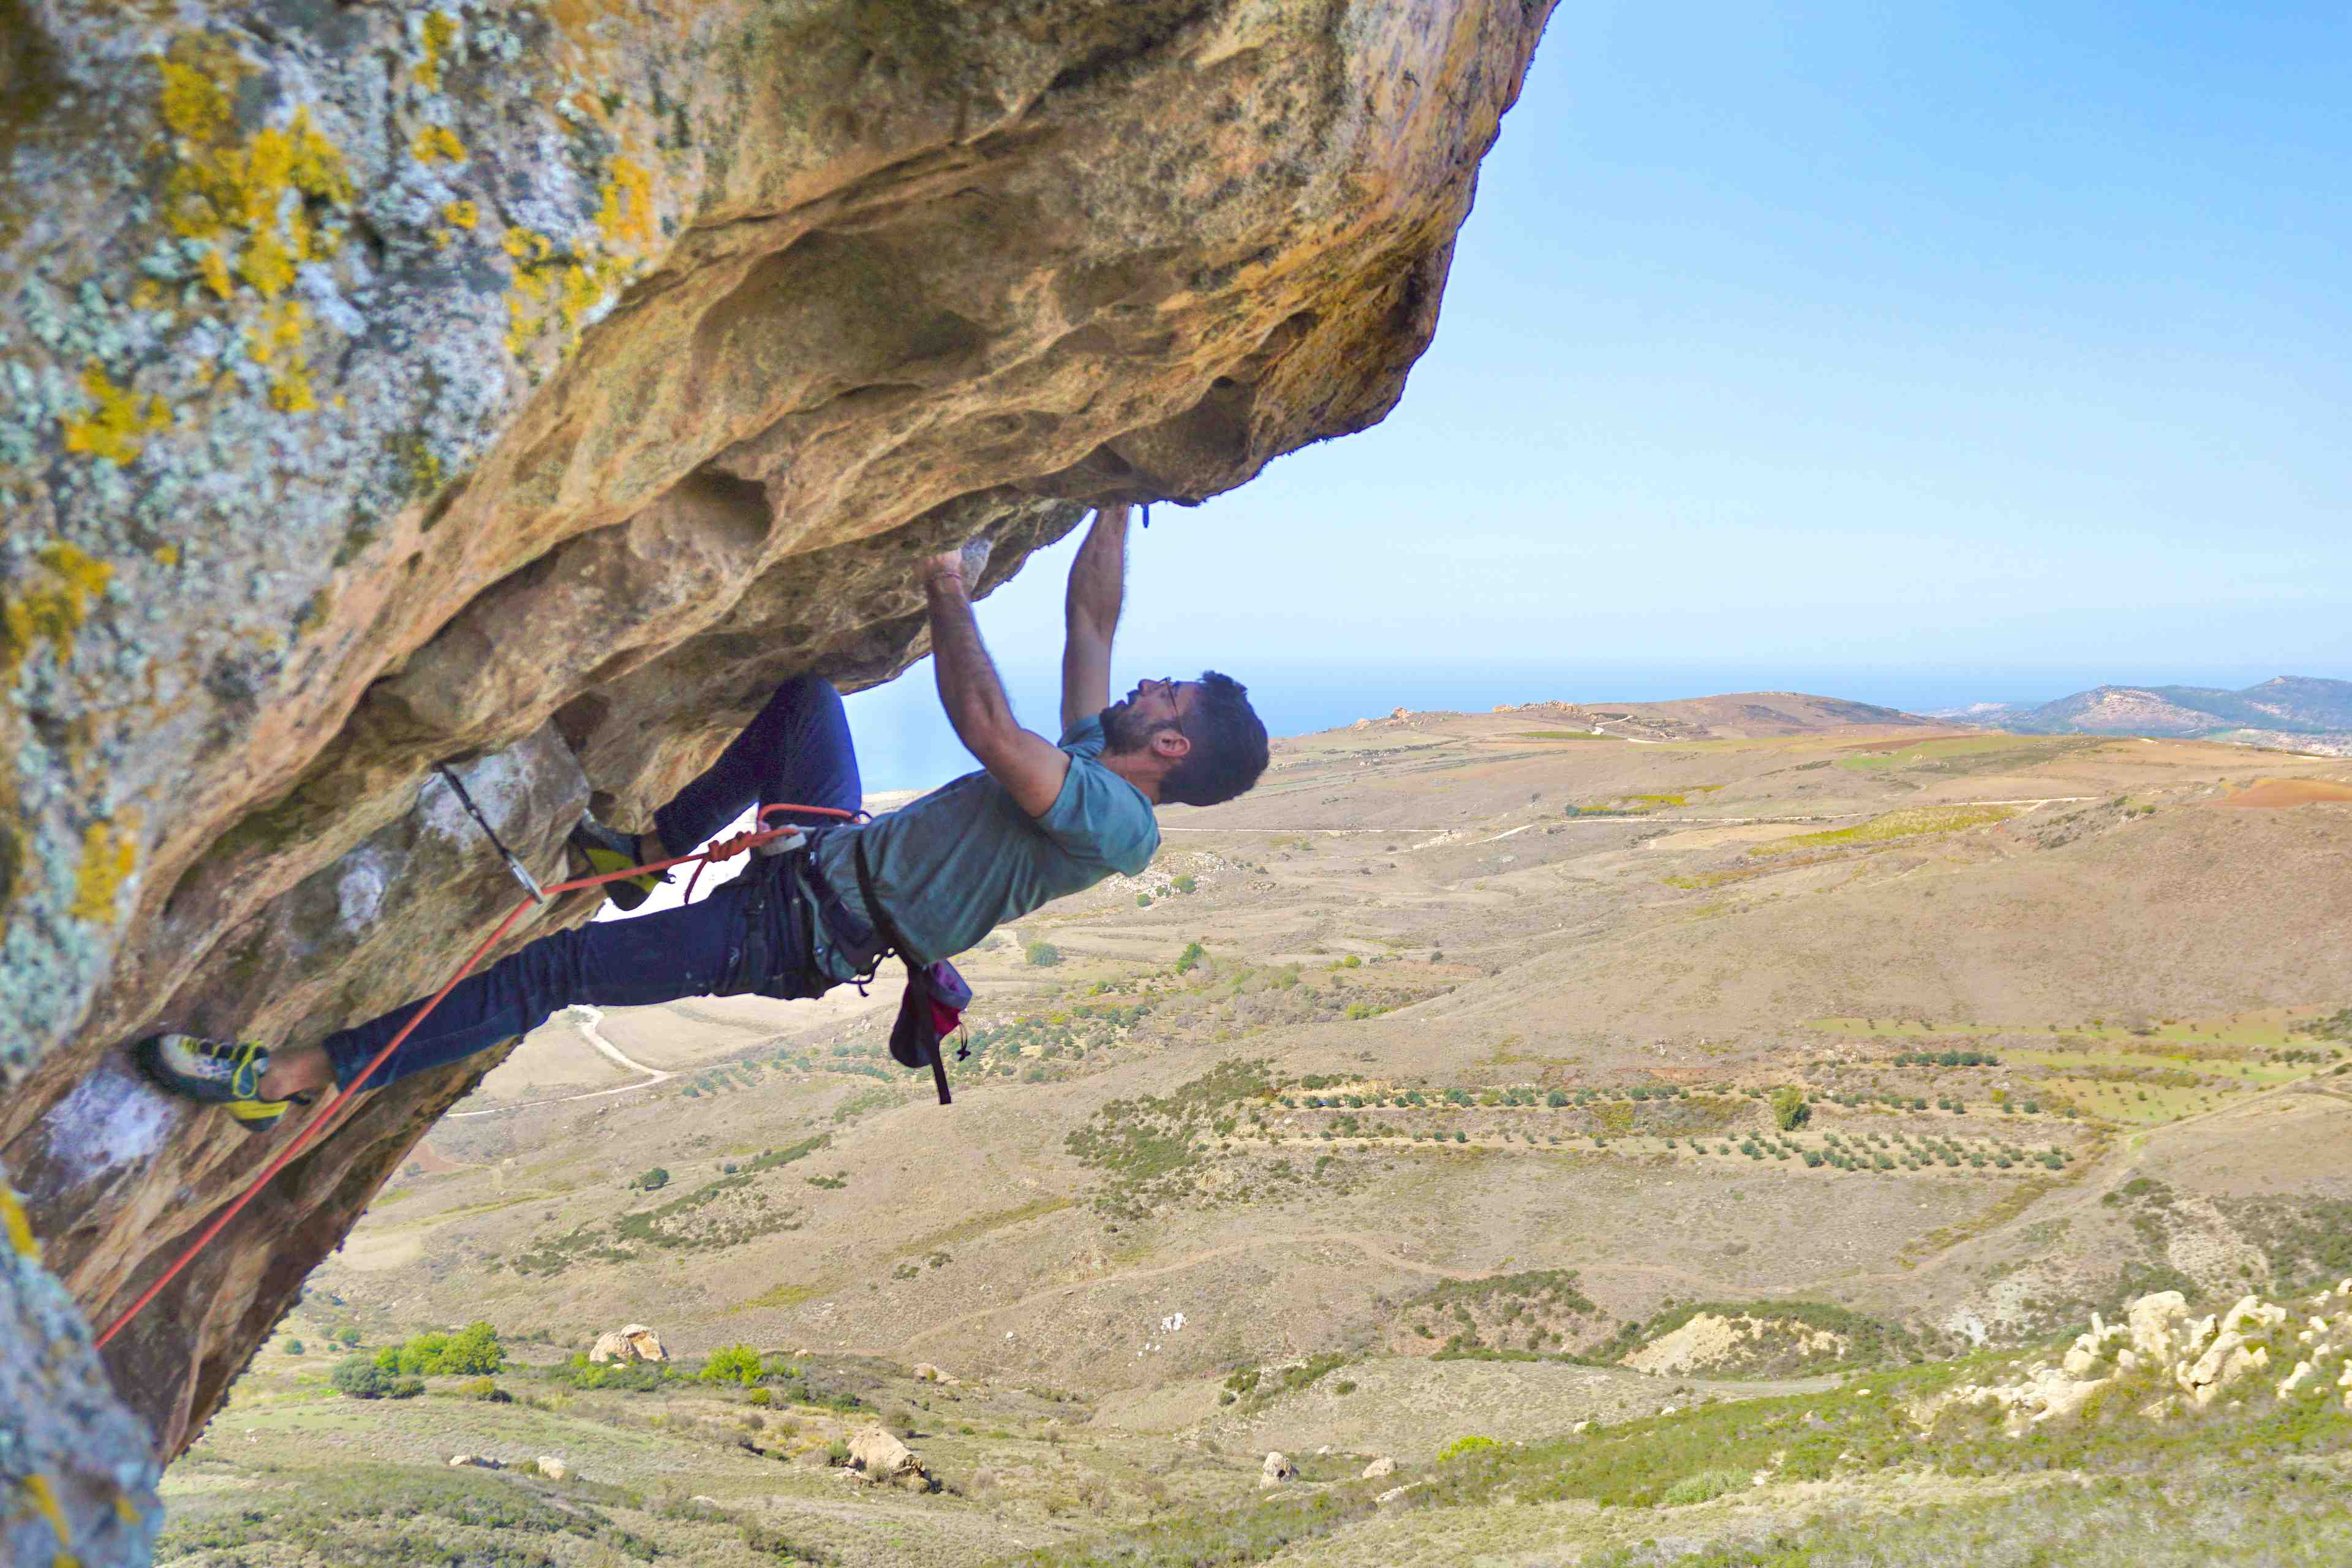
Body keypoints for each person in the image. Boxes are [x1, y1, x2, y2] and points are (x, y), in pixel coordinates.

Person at [137, 503, 1269, 1131]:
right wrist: (1122, 491)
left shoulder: (1119, 823)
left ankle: (292, 1078)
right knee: (805, 699)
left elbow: (982, 723)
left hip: (797, 935)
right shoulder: (1102, 754)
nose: (1146, 683)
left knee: (553, 975)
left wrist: (944, 584)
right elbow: (1091, 620)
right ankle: (647, 855)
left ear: (1172, 750)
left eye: (1169, 698)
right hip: (825, 854)